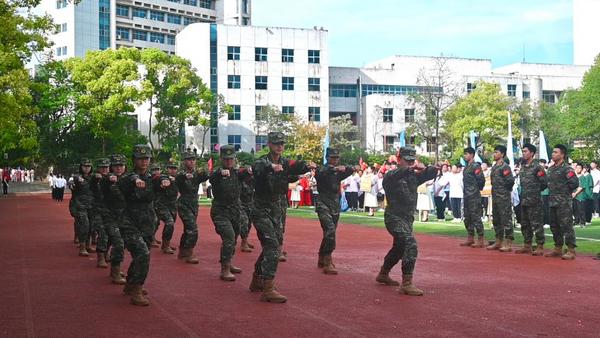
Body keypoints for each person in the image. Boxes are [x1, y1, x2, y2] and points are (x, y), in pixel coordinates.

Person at [248, 131, 312, 303]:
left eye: (282, 143)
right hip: (261, 210)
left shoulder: (285, 162)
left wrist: (307, 165)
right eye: (276, 143)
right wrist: (271, 167)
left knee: (272, 246)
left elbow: (297, 167)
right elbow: (257, 169)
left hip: (276, 210)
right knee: (272, 246)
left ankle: (257, 279)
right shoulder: (262, 161)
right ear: (269, 144)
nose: (279, 146)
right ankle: (268, 288)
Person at [375, 147, 437, 296]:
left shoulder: (412, 177)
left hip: (407, 219)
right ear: (398, 160)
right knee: (410, 243)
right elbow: (399, 173)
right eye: (406, 161)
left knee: (399, 247)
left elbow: (428, 175)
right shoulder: (391, 176)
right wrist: (413, 168)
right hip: (394, 218)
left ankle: (383, 273)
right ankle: (406, 283)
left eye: (412, 161)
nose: (409, 164)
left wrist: (432, 168)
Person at [119, 144, 170, 306]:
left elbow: (159, 180)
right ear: (134, 160)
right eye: (140, 158)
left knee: (141, 255)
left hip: (148, 222)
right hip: (129, 222)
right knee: (143, 253)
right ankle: (137, 289)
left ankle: (130, 283)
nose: (144, 162)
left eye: (146, 158)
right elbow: (127, 182)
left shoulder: (151, 178)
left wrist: (165, 180)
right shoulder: (127, 178)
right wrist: (136, 180)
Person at [209, 145, 251, 281]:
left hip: (235, 211)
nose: (228, 161)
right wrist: (220, 173)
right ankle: (225, 268)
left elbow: (248, 172)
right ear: (221, 158)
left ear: (234, 159)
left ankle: (229, 262)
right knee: (229, 237)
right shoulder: (217, 174)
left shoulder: (238, 173)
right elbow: (211, 178)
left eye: (231, 159)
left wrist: (251, 170)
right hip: (220, 211)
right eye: (226, 159)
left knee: (233, 238)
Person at [315, 147, 354, 275]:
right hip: (323, 203)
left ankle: (322, 256)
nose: (335, 160)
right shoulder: (322, 169)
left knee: (329, 233)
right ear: (327, 158)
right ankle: (327, 260)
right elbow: (321, 172)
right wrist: (335, 168)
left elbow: (352, 168)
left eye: (337, 158)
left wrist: (344, 168)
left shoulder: (338, 172)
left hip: (335, 205)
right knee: (330, 230)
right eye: (333, 157)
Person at [545, 144, 579, 260]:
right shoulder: (551, 169)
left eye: (556, 152)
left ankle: (571, 249)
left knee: (566, 226)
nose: (553, 154)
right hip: (552, 202)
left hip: (563, 202)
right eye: (553, 152)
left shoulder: (567, 169)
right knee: (554, 226)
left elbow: (574, 183)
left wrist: (564, 192)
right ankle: (558, 248)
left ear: (562, 154)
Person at [176, 150, 209, 264]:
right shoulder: (181, 173)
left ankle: (182, 250)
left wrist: (204, 171)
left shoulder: (197, 173)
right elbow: (178, 177)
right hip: (183, 204)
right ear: (184, 161)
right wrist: (186, 176)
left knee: (188, 229)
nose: (192, 161)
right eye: (189, 160)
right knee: (193, 229)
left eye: (193, 159)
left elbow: (207, 176)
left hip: (194, 204)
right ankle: (189, 252)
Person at [99, 154, 128, 285]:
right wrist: (110, 179)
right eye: (116, 166)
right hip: (109, 215)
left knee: (114, 240)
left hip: (124, 217)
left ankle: (108, 259)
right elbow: (103, 183)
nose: (118, 168)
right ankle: (115, 271)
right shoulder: (107, 179)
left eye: (121, 165)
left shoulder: (127, 179)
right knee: (119, 242)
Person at [516, 144, 547, 255]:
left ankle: (540, 246)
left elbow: (544, 183)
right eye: (523, 151)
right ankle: (527, 245)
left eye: (525, 151)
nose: (523, 153)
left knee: (537, 224)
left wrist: (535, 192)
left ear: (532, 153)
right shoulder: (523, 166)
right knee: (525, 224)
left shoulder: (537, 167)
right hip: (524, 199)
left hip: (534, 200)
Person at [487, 145, 515, 252]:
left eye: (496, 152)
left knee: (506, 219)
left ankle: (508, 241)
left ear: (502, 154)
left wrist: (504, 191)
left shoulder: (505, 167)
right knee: (497, 219)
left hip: (503, 197)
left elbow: (510, 181)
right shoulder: (494, 167)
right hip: (495, 196)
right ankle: (498, 240)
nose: (494, 154)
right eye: (494, 152)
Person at [460, 148, 485, 248]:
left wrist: (476, 190)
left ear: (472, 155)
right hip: (466, 195)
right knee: (467, 217)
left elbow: (481, 180)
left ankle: (480, 238)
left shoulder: (475, 166)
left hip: (474, 195)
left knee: (476, 217)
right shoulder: (467, 167)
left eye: (466, 154)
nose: (465, 156)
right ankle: (470, 237)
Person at [154, 160, 179, 254]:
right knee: (169, 222)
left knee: (170, 225)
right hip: (161, 205)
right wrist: (165, 179)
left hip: (172, 205)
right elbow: (159, 178)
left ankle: (166, 243)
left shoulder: (177, 178)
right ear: (167, 169)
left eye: (174, 168)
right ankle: (165, 245)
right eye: (171, 168)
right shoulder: (163, 177)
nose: (173, 170)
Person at [90, 158, 111, 268]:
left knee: (112, 235)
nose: (104, 169)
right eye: (102, 167)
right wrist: (96, 178)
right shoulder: (95, 178)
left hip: (111, 211)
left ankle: (106, 251)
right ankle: (100, 257)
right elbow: (93, 181)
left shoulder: (112, 178)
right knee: (103, 233)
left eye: (106, 167)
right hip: (97, 211)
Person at [72, 159, 95, 256]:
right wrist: (77, 179)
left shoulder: (93, 177)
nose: (87, 168)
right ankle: (82, 247)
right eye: (84, 166)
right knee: (84, 225)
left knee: (91, 226)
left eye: (88, 166)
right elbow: (74, 179)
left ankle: (88, 245)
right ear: (81, 167)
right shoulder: (78, 176)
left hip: (92, 205)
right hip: (80, 205)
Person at [239, 167, 256, 253]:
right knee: (244, 222)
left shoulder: (253, 181)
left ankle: (245, 240)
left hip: (250, 204)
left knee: (249, 223)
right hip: (241, 205)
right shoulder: (240, 181)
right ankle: (243, 243)